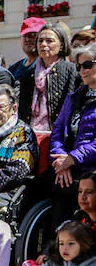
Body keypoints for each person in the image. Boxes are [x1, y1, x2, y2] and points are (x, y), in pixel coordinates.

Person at [48, 42, 96, 225]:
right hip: (71, 167)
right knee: (57, 187)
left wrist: (73, 158)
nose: (82, 70)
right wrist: (61, 160)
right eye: (79, 66)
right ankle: (56, 246)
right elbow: (57, 131)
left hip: (91, 167)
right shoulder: (74, 97)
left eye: (87, 65)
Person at [19, 22, 78, 134]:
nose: (43, 44)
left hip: (59, 135)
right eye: (40, 41)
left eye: (49, 41)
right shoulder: (29, 74)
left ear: (61, 45)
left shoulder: (72, 71)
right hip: (31, 133)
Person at [9, 17, 46, 83]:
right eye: (25, 35)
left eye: (33, 35)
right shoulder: (13, 69)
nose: (28, 39)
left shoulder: (48, 67)